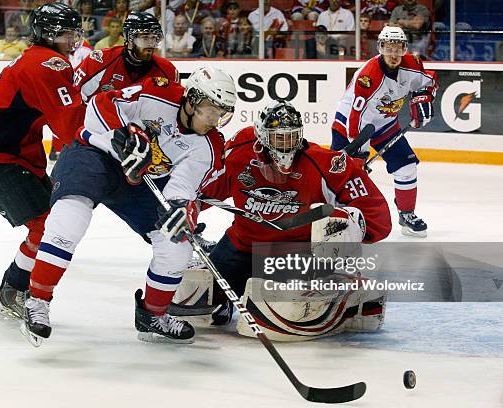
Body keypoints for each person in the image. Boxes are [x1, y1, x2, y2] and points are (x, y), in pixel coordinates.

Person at [20, 66, 237, 346]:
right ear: (193, 98)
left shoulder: (209, 145)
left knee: (176, 245)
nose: (214, 119)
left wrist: (182, 208)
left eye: (221, 113)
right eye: (211, 109)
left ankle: (152, 316)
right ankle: (37, 301)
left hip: (140, 182)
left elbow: (181, 187)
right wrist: (123, 134)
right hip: (95, 156)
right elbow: (100, 105)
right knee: (70, 218)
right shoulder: (158, 92)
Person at [173, 100, 392, 339]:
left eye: (291, 137)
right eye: (278, 137)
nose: (286, 145)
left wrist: (348, 218)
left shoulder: (324, 164)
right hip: (241, 245)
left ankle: (348, 290)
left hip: (294, 255)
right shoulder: (240, 151)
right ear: (262, 136)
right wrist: (186, 209)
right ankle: (226, 300)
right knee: (189, 302)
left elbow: (379, 219)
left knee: (275, 316)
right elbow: (206, 188)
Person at [0, 3, 86, 323]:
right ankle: (13, 291)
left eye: (74, 32)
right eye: (67, 33)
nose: (74, 40)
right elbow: (70, 127)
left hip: (10, 155)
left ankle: (12, 290)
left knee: (50, 223)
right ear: (49, 34)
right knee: (45, 225)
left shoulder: (37, 59)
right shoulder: (47, 63)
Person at [330, 26, 437, 237]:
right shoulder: (368, 77)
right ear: (381, 48)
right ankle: (333, 217)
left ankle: (406, 214)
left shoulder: (412, 64)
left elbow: (429, 81)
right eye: (389, 48)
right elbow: (357, 118)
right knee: (341, 176)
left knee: (406, 166)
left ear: (405, 48)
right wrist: (359, 155)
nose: (394, 54)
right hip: (350, 127)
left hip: (386, 125)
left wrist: (423, 97)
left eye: (398, 48)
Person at [54, 11, 177, 160]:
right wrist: (73, 141)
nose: (151, 44)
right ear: (129, 39)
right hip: (96, 142)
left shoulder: (168, 71)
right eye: (145, 38)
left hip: (140, 146)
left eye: (154, 38)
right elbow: (74, 101)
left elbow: (171, 115)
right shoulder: (100, 61)